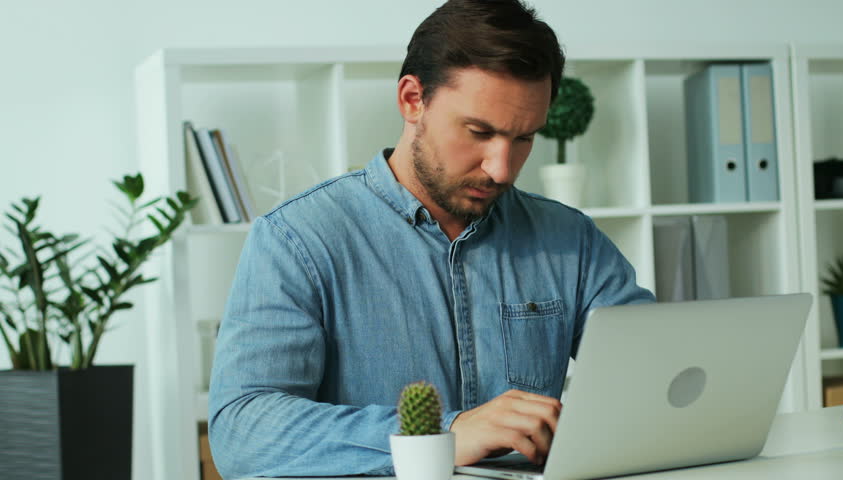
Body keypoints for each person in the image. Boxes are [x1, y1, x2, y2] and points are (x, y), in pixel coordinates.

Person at [208, 0, 655, 477]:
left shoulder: (570, 240)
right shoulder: (297, 239)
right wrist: (443, 436)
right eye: (479, 132)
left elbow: (659, 373)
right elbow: (243, 431)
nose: (502, 168)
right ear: (412, 100)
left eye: (524, 138)